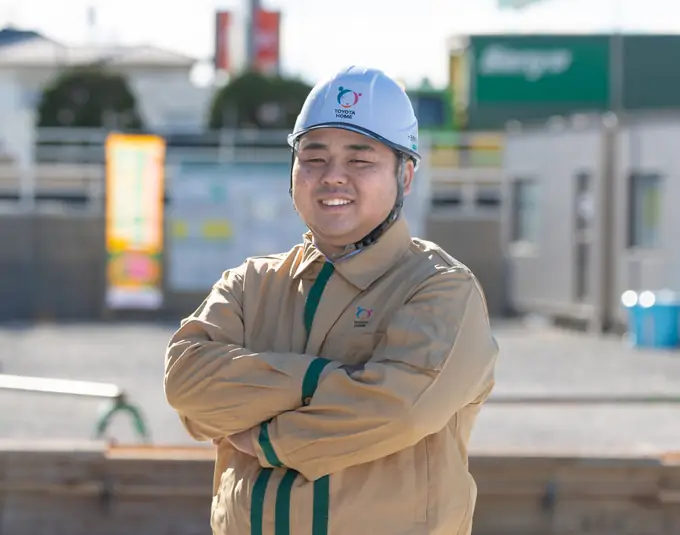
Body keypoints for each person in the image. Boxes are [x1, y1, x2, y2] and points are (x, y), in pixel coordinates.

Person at [164, 65, 498, 535]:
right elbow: (186, 385)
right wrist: (324, 380)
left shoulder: (440, 288)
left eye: (360, 160)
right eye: (314, 157)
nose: (333, 177)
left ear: (405, 175)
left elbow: (401, 409)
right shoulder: (252, 283)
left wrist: (264, 436)